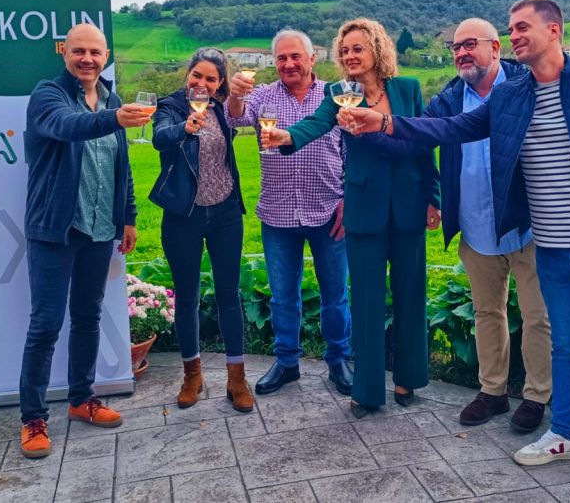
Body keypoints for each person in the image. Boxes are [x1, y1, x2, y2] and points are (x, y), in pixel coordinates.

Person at [346, 0, 570, 489]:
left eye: (521, 27)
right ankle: (565, 434)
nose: (515, 35)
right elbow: (451, 128)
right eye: (511, 28)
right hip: (553, 247)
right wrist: (384, 122)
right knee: (567, 346)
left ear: (554, 30)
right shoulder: (512, 97)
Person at [260, 18, 439, 417]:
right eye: (344, 51)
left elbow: (424, 143)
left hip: (409, 205)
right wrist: (286, 137)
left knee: (411, 294)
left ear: (377, 49)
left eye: (357, 48)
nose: (350, 56)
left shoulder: (408, 88)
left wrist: (434, 197)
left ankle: (409, 377)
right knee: (366, 300)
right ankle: (368, 389)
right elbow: (315, 123)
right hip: (363, 208)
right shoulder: (340, 93)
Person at [19, 23, 148, 458]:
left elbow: (121, 166)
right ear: (65, 53)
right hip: (56, 229)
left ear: (105, 55)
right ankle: (33, 418)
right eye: (79, 51)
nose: (87, 59)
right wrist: (114, 119)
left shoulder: (113, 99)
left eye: (95, 52)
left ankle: (80, 399)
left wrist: (128, 216)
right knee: (45, 325)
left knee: (88, 316)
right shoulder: (48, 95)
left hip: (99, 228)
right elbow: (67, 126)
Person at [426, 18, 552, 434]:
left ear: (495, 48)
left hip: (528, 225)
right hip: (476, 225)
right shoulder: (448, 99)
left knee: (537, 316)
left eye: (470, 44)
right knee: (486, 312)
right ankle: (493, 392)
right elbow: (419, 139)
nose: (461, 53)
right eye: (455, 47)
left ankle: (536, 397)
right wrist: (431, 194)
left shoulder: (525, 84)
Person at [225, 29, 353, 396]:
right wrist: (235, 94)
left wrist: (348, 199)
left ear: (312, 58)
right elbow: (234, 118)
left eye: (296, 56)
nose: (289, 63)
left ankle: (339, 360)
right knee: (282, 296)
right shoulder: (263, 95)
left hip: (328, 210)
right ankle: (286, 362)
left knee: (335, 294)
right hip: (278, 212)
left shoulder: (335, 95)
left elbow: (352, 149)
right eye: (281, 58)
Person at [149, 47, 253, 413]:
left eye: (211, 79)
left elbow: (245, 112)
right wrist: (185, 127)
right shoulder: (171, 107)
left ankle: (237, 378)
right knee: (187, 296)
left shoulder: (224, 110)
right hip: (184, 215)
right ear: (187, 74)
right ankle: (191, 375)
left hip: (225, 213)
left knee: (229, 294)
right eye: (197, 75)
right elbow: (159, 137)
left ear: (219, 82)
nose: (202, 83)